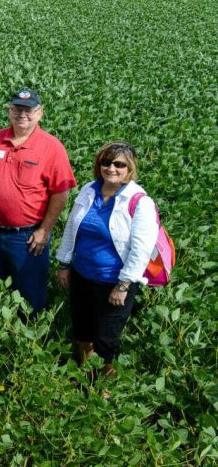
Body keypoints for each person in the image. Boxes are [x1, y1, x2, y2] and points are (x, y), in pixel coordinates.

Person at [56, 142, 158, 373]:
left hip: (113, 281)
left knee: (106, 337)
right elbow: (72, 228)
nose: (111, 168)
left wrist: (123, 285)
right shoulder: (89, 190)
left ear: (130, 169)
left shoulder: (140, 202)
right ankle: (83, 375)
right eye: (106, 162)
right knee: (82, 329)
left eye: (119, 164)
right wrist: (64, 264)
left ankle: (102, 386)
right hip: (82, 274)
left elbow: (141, 249)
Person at [0, 89, 77, 313]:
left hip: (26, 237)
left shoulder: (52, 147)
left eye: (28, 110)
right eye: (16, 109)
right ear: (9, 111)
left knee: (29, 296)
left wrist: (44, 231)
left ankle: (27, 340)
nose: (22, 114)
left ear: (40, 113)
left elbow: (60, 193)